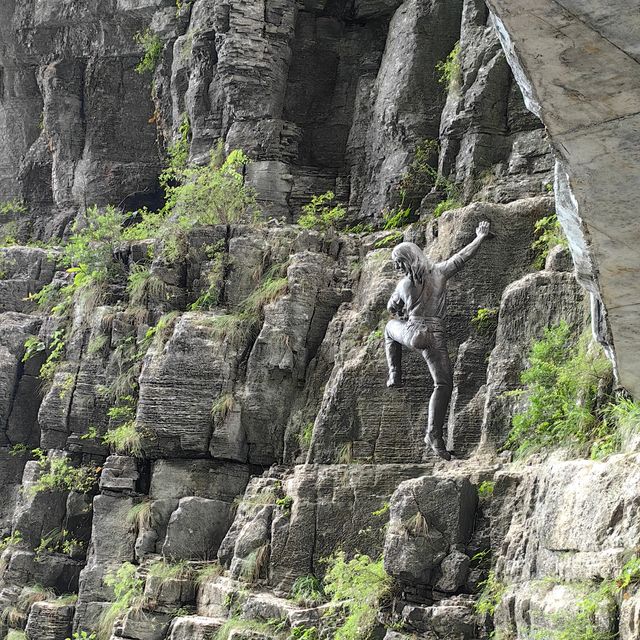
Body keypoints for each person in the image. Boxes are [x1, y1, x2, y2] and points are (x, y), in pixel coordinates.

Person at [385, 221, 492, 460]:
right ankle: (434, 435)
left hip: (414, 333)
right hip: (436, 334)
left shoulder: (403, 284)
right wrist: (480, 237)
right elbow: (462, 257)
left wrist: (403, 309)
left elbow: (393, 307)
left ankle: (395, 374)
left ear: (406, 261)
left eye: (399, 264)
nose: (399, 269)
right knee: (443, 385)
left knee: (389, 329)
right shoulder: (440, 272)